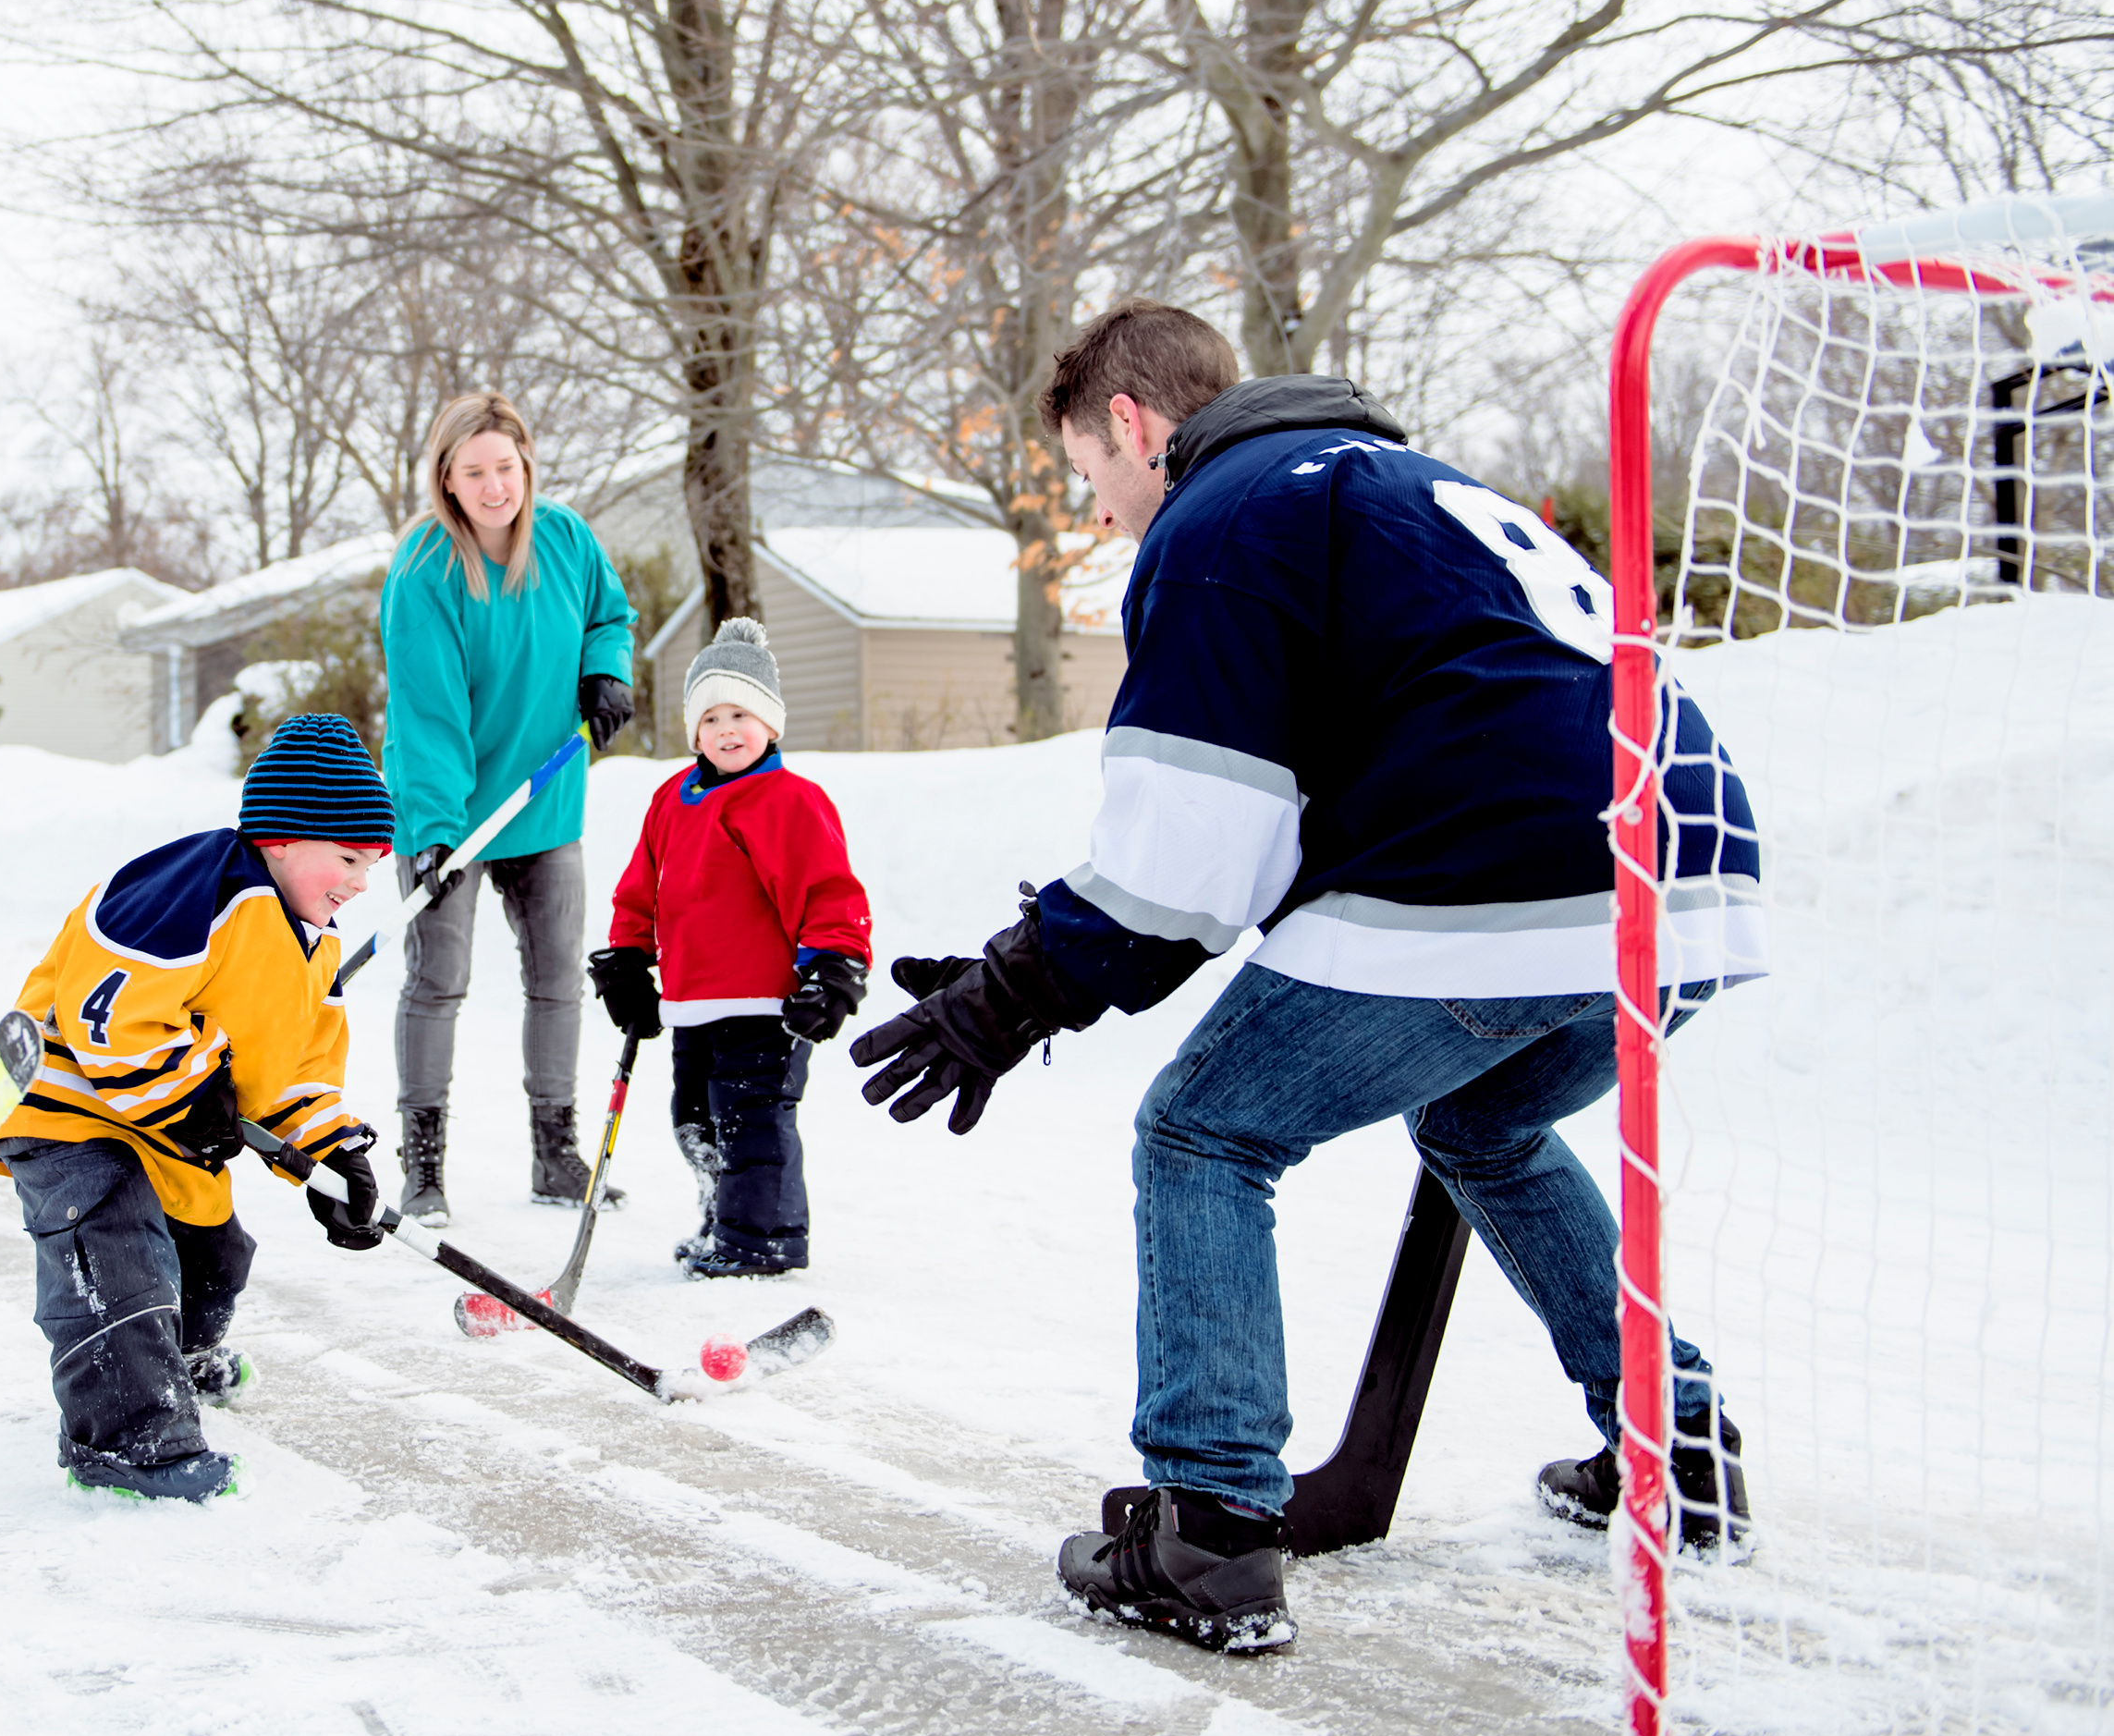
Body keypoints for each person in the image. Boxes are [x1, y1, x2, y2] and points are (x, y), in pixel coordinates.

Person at [849, 300, 1764, 1655]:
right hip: (1685, 885)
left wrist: (1017, 992)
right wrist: (1041, 958)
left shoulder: (1220, 521)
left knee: (1206, 1127)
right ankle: (1677, 1446)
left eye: (1090, 481)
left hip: (1502, 884)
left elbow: (1188, 867)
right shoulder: (1413, 487)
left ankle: (1211, 1531)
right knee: (1484, 1121)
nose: (1101, 518)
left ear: (1132, 426)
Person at [0, 713, 393, 1502]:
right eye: (347, 858)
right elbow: (109, 1009)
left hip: (168, 1128)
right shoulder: (196, 885)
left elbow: (295, 1071)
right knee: (118, 1254)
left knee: (216, 1257)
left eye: (372, 863)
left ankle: (172, 1355)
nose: (360, 882)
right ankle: (133, 1437)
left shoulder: (316, 941)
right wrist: (190, 1083)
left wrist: (333, 1158)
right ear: (280, 837)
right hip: (75, 1111)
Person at [379, 390, 640, 1225]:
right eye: (473, 472)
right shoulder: (425, 569)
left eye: (506, 467)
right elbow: (430, 713)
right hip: (447, 809)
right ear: (446, 481)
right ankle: (423, 1164)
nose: (495, 486)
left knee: (558, 979)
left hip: (545, 798)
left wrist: (607, 669)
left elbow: (610, 614)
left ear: (525, 463)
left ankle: (556, 1154)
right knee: (438, 981)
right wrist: (438, 834)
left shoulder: (564, 538)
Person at [590, 619, 871, 1278]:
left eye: (741, 712)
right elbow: (639, 892)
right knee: (696, 1122)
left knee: (753, 1122)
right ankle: (723, 1220)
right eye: (710, 716)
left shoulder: (790, 800)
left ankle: (761, 1238)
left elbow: (829, 892)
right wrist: (629, 959)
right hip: (692, 1004)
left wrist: (831, 970)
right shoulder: (670, 800)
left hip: (765, 1006)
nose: (726, 728)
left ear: (771, 722)